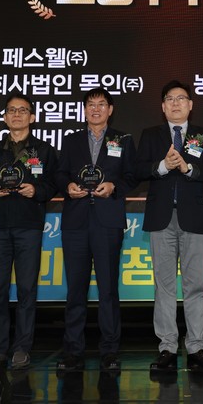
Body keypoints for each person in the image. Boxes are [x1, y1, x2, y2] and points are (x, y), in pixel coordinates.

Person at [136, 80, 203, 375]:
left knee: (196, 284)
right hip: (161, 218)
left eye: (181, 98)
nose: (175, 103)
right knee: (164, 286)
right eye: (170, 99)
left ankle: (196, 347)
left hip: (193, 217)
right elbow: (137, 169)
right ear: (163, 106)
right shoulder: (151, 135)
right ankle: (167, 347)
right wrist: (163, 165)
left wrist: (188, 168)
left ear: (190, 104)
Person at [54, 87, 137, 373]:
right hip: (76, 221)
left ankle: (109, 351)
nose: (96, 109)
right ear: (84, 110)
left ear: (110, 110)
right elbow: (59, 173)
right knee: (75, 290)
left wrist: (114, 186)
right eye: (91, 105)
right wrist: (67, 186)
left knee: (108, 290)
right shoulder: (71, 140)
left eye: (102, 104)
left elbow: (132, 176)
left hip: (107, 221)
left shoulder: (123, 140)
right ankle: (73, 351)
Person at [0, 93, 57, 368]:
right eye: (12, 110)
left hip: (29, 225)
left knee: (26, 289)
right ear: (5, 117)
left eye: (23, 110)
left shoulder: (44, 150)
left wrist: (37, 190)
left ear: (32, 117)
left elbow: (53, 184)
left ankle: (22, 347)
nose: (17, 115)